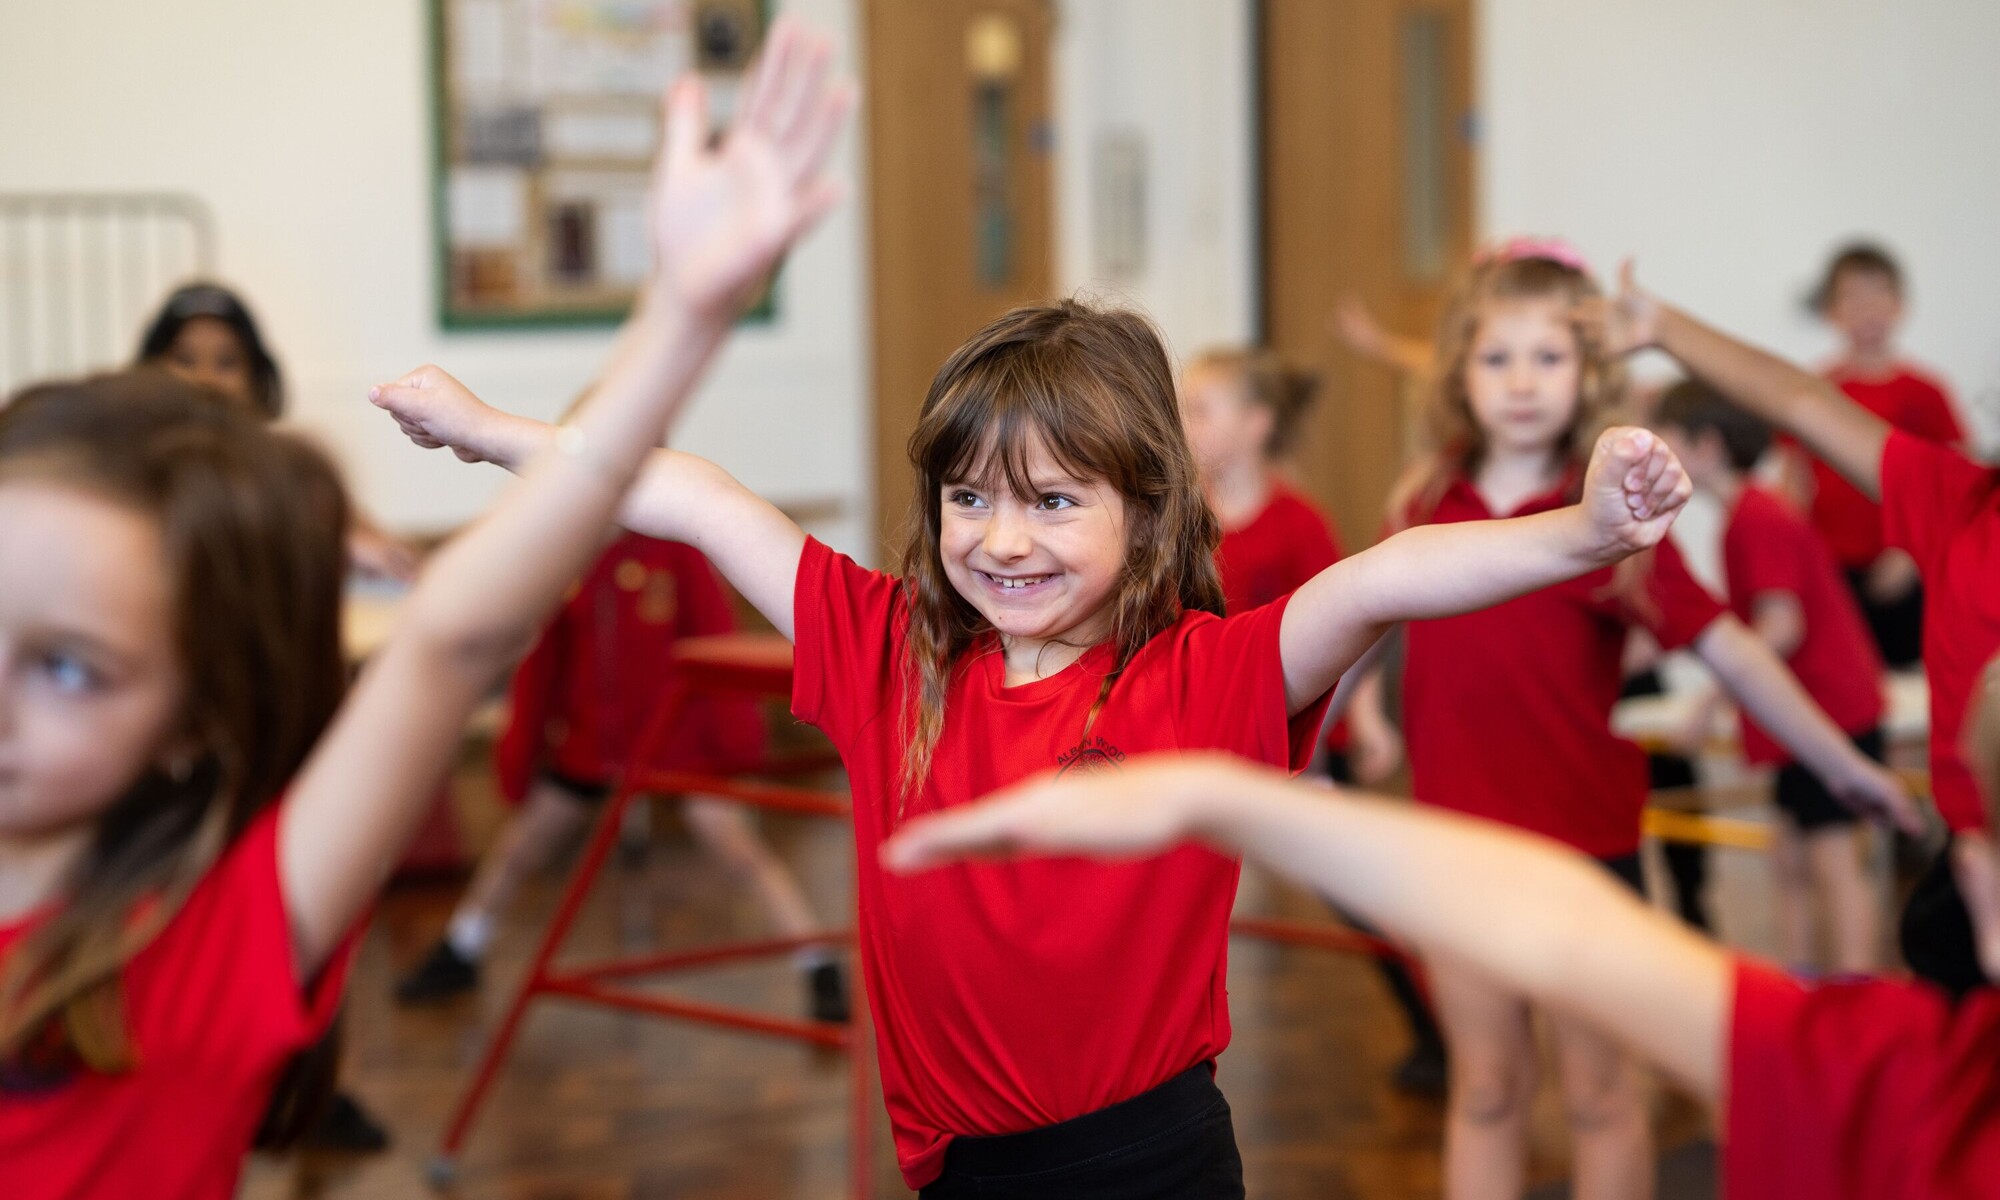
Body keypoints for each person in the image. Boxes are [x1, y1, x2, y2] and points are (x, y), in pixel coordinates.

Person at [378, 244, 1702, 1193]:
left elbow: (1383, 581)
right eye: (970, 498)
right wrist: (492, 432)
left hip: (1148, 1162)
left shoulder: (1199, 678)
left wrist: (1580, 531)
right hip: (962, 1171)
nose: (1001, 538)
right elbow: (693, 496)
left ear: (1148, 515)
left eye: (1056, 502)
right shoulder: (889, 650)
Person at [0, 22, 851, 1199]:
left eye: (70, 668)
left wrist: (682, 315)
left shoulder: (213, 943)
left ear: (193, 719)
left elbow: (451, 637)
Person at [880, 652, 2000, 1200]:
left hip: (1545, 848)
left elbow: (1559, 925)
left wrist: (1218, 799)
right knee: (1487, 1081)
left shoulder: (1923, 1090)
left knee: (1592, 1091)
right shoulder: (1923, 1084)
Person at [1344, 238, 1912, 1200]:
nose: (1522, 382)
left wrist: (1844, 762)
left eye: (1550, 357)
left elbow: (1732, 648)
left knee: (1604, 1093)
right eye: (1497, 357)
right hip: (1453, 850)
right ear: (1459, 372)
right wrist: (1349, 715)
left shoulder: (1613, 522)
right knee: (1484, 1090)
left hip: (1584, 850)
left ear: (1590, 373)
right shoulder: (1426, 501)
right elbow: (1357, 622)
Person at [1595, 262, 2000, 998]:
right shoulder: (1959, 505)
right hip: (1972, 879)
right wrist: (1663, 329)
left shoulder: (1766, 518)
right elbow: (1799, 399)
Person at [393, 530, 849, 1021]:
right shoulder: (569, 554)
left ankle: (818, 964)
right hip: (593, 747)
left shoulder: (675, 553)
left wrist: (736, 743)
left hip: (676, 743)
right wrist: (522, 754)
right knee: (519, 850)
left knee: (741, 852)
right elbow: (542, 666)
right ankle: (462, 948)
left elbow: (716, 637)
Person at [1181, 346, 1443, 1092]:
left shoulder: (1298, 523)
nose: (1187, 422)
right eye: (1186, 407)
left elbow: (1351, 625)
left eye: (1203, 408)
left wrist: (1366, 717)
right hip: (1205, 733)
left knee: (1361, 891)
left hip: (1302, 735)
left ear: (1257, 425)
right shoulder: (1180, 514)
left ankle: (1436, 1026)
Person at [1654, 380, 1889, 972]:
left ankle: (1855, 999)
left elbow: (1782, 624)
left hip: (1832, 713)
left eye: (1668, 440)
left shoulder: (1757, 517)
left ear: (1706, 445)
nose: (1659, 453)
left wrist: (1712, 697)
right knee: (1790, 859)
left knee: (1834, 862)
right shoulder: (1746, 516)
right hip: (1812, 716)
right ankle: (1802, 992)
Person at [136, 282, 419, 581]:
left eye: (226, 362)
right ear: (148, 372)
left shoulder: (288, 470)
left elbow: (387, 553)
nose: (204, 378)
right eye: (184, 360)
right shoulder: (133, 471)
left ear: (257, 379)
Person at [1782, 243, 1967, 667]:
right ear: (1831, 310)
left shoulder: (1926, 392)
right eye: (1852, 296)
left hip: (1908, 568)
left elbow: (1953, 484)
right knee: (1847, 675)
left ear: (1899, 304)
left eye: (1878, 294)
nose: (1866, 308)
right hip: (1832, 571)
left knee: (1914, 682)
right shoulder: (1815, 391)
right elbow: (1795, 483)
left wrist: (1910, 554)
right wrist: (1802, 567)